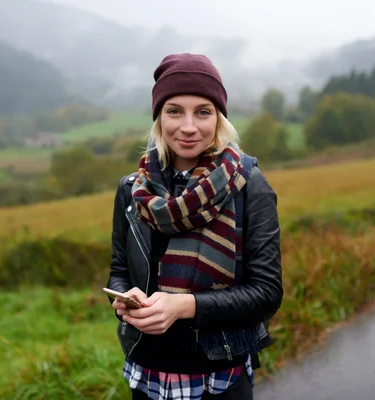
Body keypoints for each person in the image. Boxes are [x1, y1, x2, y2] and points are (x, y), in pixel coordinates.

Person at [106, 53, 283, 400]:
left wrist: (184, 306)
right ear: (159, 117)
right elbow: (118, 271)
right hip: (148, 373)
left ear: (219, 118)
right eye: (174, 111)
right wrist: (124, 299)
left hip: (220, 376)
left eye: (203, 111)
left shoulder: (249, 186)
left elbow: (266, 294)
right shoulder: (131, 190)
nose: (188, 126)